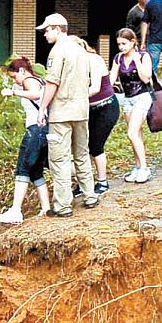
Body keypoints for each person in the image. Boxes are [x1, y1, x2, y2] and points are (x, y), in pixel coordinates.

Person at [35, 13, 98, 215]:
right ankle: (90, 195)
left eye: (47, 30)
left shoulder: (57, 52)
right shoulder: (81, 50)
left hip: (61, 113)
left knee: (59, 159)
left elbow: (52, 83)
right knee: (81, 154)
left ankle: (62, 206)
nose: (45, 34)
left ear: (58, 28)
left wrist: (43, 108)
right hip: (82, 111)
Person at [0, 58, 50, 224]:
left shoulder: (29, 81)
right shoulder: (40, 80)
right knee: (36, 171)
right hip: (45, 130)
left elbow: (34, 94)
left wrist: (13, 92)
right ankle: (46, 208)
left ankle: (15, 210)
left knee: (23, 168)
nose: (15, 82)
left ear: (21, 71)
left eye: (14, 77)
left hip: (35, 130)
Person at [72, 37, 117, 195]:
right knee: (82, 147)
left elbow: (96, 87)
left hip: (105, 107)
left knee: (96, 146)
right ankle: (84, 183)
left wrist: (75, 97)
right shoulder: (74, 64)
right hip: (88, 110)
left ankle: (103, 182)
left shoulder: (93, 59)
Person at [109, 27, 155, 182]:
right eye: (119, 44)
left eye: (124, 43)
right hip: (128, 98)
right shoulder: (118, 58)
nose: (122, 47)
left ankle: (144, 168)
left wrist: (136, 60)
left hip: (142, 96)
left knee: (131, 133)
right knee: (136, 134)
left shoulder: (143, 56)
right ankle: (137, 166)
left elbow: (146, 78)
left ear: (133, 42)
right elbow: (111, 79)